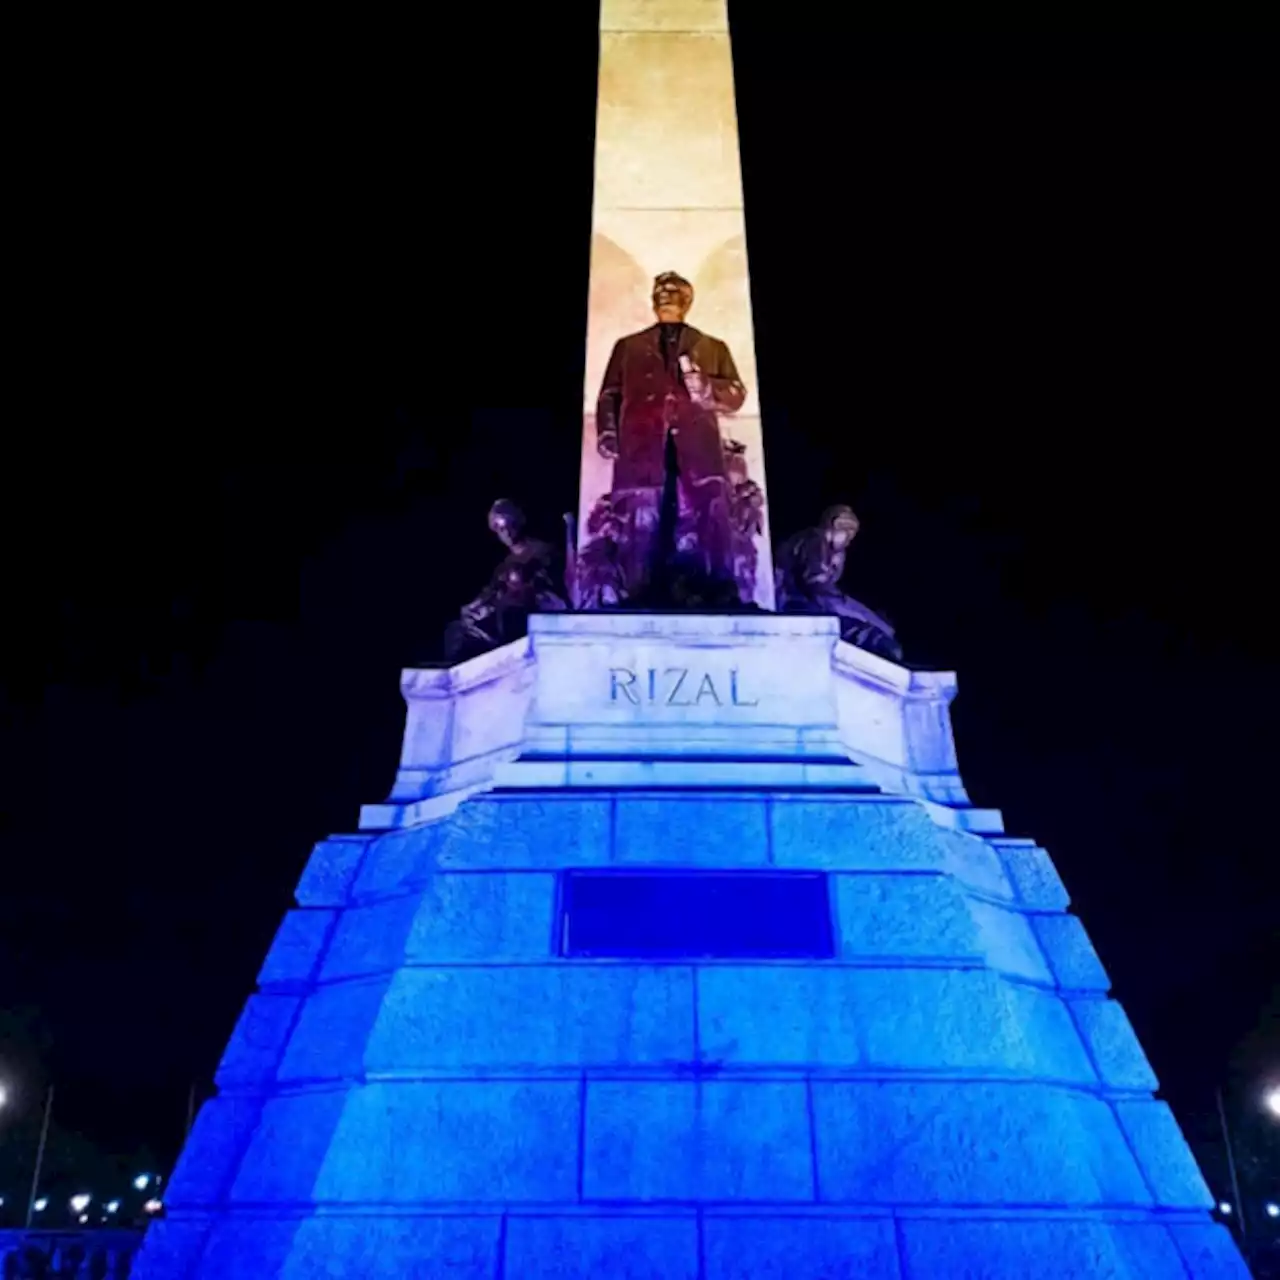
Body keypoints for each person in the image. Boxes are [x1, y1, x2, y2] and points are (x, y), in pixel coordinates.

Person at [595, 271, 747, 600]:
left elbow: (736, 393)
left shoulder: (713, 347)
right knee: (641, 518)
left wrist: (708, 389)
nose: (665, 293)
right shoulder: (628, 346)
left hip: (696, 450)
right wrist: (608, 432)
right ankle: (638, 591)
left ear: (687, 300)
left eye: (673, 289)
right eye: (660, 289)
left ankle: (712, 589)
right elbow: (610, 393)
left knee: (704, 516)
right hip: (642, 447)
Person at [774, 505, 903, 661]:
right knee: (875, 638)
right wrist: (861, 614)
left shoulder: (828, 549)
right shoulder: (816, 541)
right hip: (798, 606)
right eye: (847, 534)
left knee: (880, 635)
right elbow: (819, 588)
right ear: (836, 525)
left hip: (811, 606)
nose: (849, 541)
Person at [444, 500, 566, 660]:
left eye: (509, 525)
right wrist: (474, 607)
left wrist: (519, 586)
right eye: (500, 529)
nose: (506, 532)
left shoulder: (541, 551)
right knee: (457, 629)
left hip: (528, 609)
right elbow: (491, 591)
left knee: (508, 613)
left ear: (519, 523)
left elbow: (545, 585)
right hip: (501, 611)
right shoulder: (505, 564)